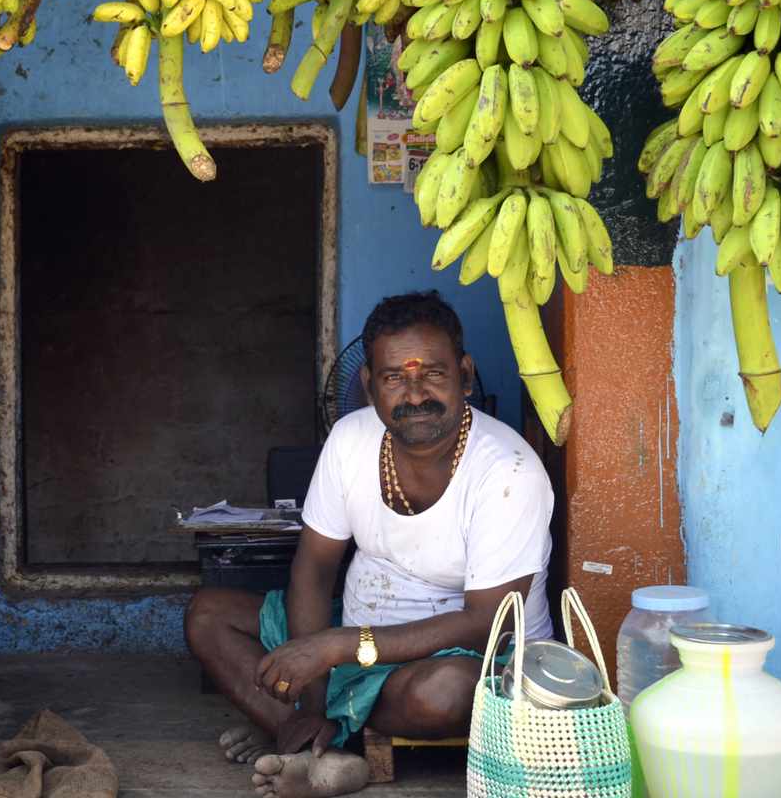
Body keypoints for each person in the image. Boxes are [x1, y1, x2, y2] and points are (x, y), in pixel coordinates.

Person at [184, 291, 555, 798]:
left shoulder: (509, 471)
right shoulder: (349, 440)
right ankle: (316, 739)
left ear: (465, 376)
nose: (415, 393)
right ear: (368, 384)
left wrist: (334, 647)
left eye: (434, 375)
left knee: (446, 693)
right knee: (209, 614)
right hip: (356, 634)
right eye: (394, 377)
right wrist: (313, 694)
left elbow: (486, 621)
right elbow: (313, 569)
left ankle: (307, 740)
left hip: (464, 654)